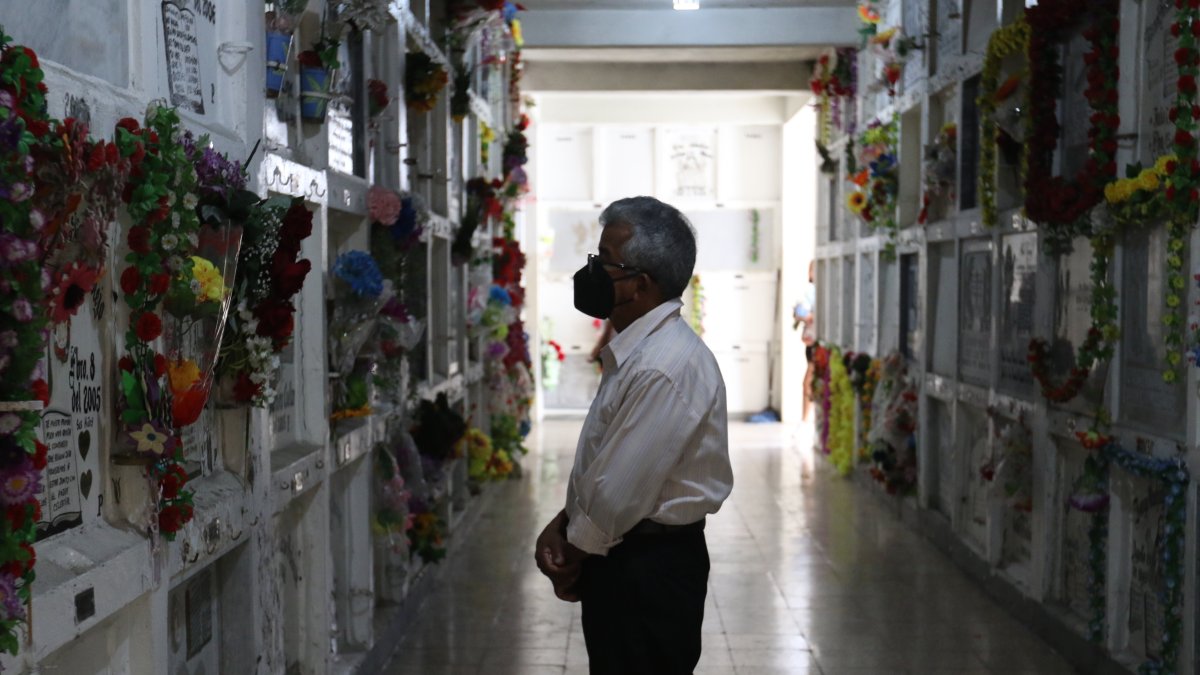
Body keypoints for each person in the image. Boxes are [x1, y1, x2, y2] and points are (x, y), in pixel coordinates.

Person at [535, 196, 734, 675]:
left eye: (605, 262)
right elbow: (605, 462)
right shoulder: (639, 353)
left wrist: (568, 552)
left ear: (640, 284)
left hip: (646, 569)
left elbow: (616, 494)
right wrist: (564, 521)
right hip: (625, 556)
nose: (592, 272)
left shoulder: (665, 366)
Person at [793, 261, 817, 421]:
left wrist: (809, 316)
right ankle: (805, 420)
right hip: (811, 343)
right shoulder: (810, 291)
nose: (811, 273)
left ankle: (806, 420)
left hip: (816, 343)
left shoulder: (820, 291)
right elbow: (800, 312)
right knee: (808, 383)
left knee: (809, 382)